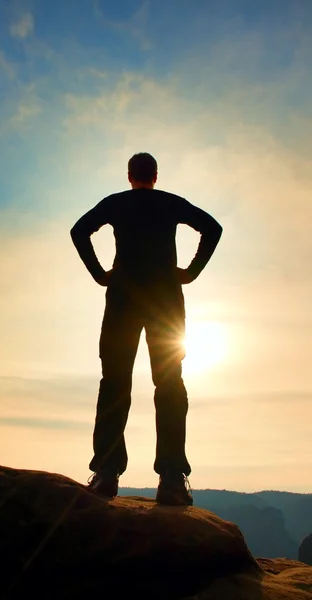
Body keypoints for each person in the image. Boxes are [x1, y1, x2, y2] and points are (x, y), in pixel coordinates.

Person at [70, 153, 222, 506]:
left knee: (114, 382)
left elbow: (79, 230)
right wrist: (191, 270)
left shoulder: (116, 203)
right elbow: (212, 228)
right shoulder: (170, 203)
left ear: (129, 176)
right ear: (155, 175)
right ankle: (171, 477)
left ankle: (107, 474)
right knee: (169, 382)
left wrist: (98, 273)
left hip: (123, 296)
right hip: (165, 299)